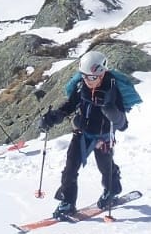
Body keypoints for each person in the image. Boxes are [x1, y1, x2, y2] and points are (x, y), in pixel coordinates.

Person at [40, 49, 127, 218]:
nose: (87, 80)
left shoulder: (113, 90)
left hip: (103, 137)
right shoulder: (81, 86)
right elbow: (70, 105)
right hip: (82, 133)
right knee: (70, 168)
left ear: (102, 73)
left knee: (105, 167)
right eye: (84, 76)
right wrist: (54, 117)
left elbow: (123, 124)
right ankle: (68, 202)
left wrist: (112, 113)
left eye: (92, 77)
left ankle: (112, 190)